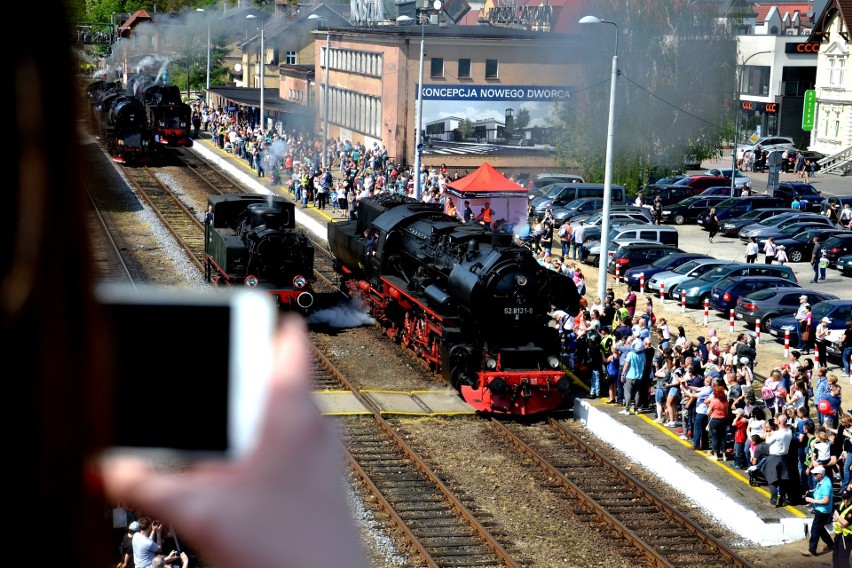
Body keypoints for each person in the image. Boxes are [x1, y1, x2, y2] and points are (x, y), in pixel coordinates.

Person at [804, 465, 835, 557]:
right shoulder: (822, 481)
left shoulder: (826, 485)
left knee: (815, 530)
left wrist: (812, 500)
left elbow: (826, 500)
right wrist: (813, 491)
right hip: (821, 510)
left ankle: (812, 550)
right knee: (820, 529)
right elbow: (819, 490)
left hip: (822, 511)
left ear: (821, 475)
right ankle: (831, 545)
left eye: (815, 474)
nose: (813, 476)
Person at [619, 340, 646, 416]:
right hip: (639, 377)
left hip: (630, 376)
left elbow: (626, 365)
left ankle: (627, 409)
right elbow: (645, 365)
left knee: (628, 393)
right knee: (637, 393)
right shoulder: (643, 354)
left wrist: (622, 374)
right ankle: (636, 409)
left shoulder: (630, 354)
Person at [832, 486, 852, 567]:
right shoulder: (842, 504)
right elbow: (835, 511)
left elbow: (845, 523)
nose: (845, 500)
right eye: (844, 498)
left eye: (847, 498)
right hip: (839, 534)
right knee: (835, 556)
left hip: (847, 536)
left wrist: (837, 517)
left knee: (843, 558)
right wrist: (839, 518)